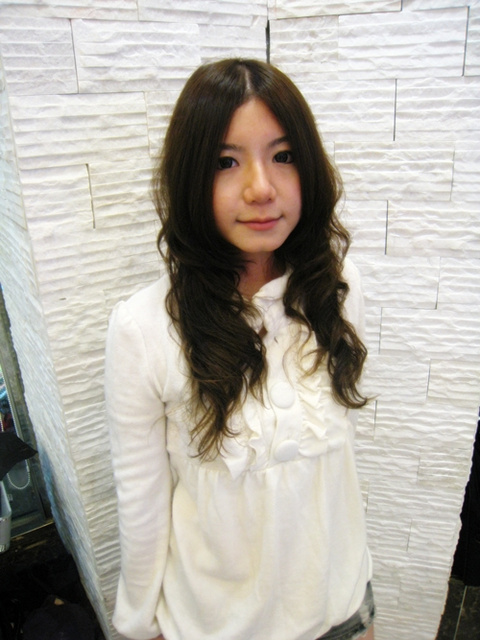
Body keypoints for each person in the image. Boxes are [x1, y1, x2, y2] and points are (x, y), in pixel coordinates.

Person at [105, 58, 375, 640]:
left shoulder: (339, 288)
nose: (261, 188)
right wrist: (138, 624)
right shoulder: (143, 328)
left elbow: (334, 472)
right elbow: (142, 500)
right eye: (226, 162)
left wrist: (357, 602)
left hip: (340, 607)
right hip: (211, 624)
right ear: (190, 177)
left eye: (284, 156)